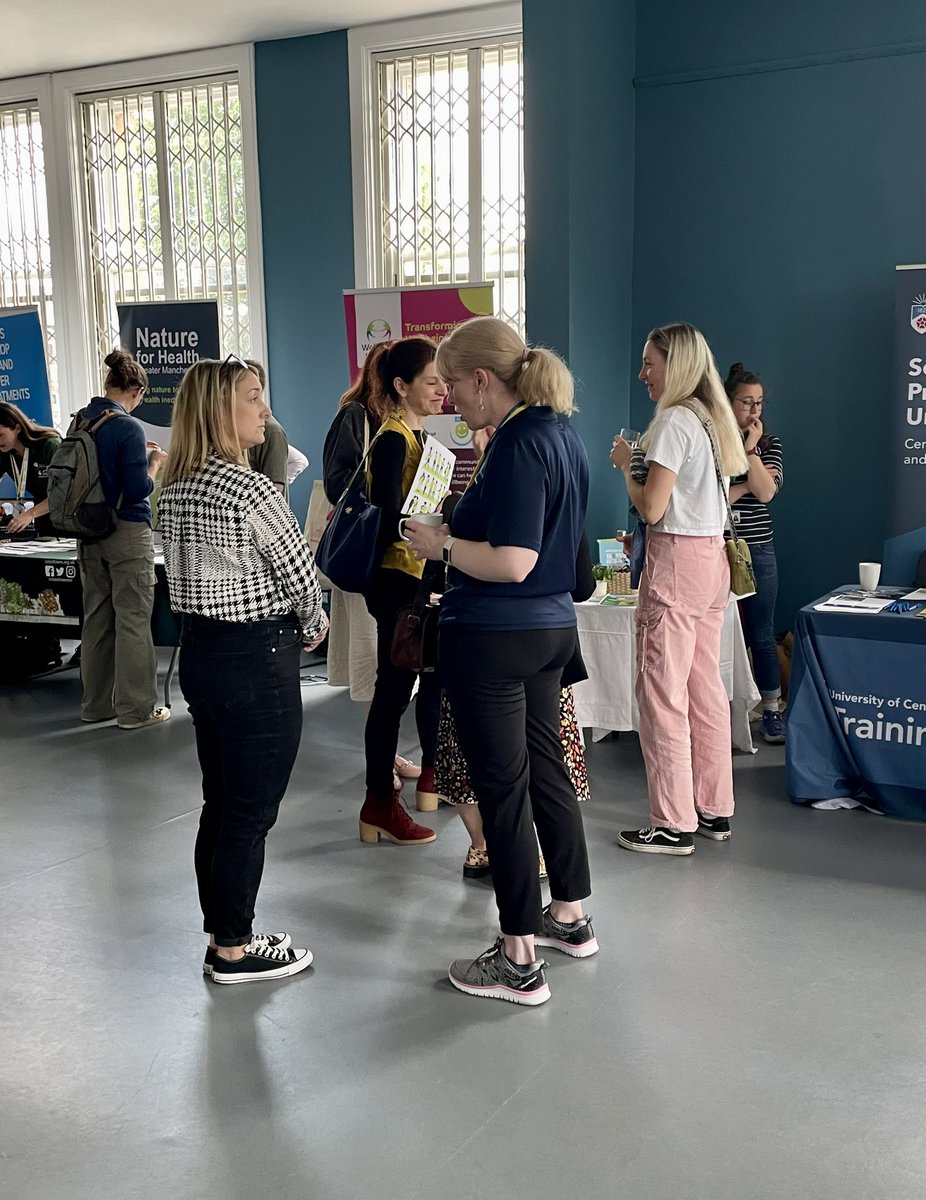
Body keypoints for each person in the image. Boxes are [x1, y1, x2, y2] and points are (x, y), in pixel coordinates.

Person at [406, 316, 597, 1007]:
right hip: (549, 633)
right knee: (546, 772)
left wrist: (442, 547)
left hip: (497, 637)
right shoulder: (562, 435)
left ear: (483, 380)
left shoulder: (518, 443)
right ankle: (568, 915)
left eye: (454, 385)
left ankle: (518, 956)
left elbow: (512, 562)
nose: (451, 399)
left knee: (505, 790)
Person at [158, 355, 328, 984]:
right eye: (255, 398)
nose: (266, 411)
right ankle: (233, 947)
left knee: (221, 802)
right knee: (251, 811)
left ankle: (224, 932)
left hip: (200, 655)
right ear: (218, 411)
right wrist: (314, 622)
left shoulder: (173, 489)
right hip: (258, 657)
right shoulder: (249, 489)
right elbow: (299, 576)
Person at [610, 322, 748, 855]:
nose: (643, 373)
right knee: (703, 690)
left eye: (651, 363)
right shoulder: (710, 419)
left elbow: (652, 507)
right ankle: (713, 809)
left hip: (675, 564)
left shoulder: (671, 421)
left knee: (662, 695)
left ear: (677, 365)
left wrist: (627, 467)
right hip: (709, 561)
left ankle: (672, 822)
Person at [357, 337, 447, 845]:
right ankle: (379, 801)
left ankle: (393, 796)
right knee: (391, 695)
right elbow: (388, 518)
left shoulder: (417, 439)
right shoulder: (392, 438)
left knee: (413, 685)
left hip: (417, 575)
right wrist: (430, 525)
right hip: (396, 579)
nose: (441, 391)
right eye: (431, 382)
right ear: (401, 386)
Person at [321, 344, 420, 786]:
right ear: (393, 381)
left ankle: (387, 757)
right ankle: (383, 767)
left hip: (396, 556)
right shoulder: (359, 417)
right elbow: (338, 482)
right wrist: (382, 486)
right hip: (370, 554)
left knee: (389, 673)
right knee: (373, 662)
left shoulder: (400, 427)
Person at [76, 350, 168, 729]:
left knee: (97, 619)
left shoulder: (82, 419)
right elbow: (136, 489)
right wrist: (154, 465)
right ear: (138, 391)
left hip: (88, 531)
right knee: (132, 619)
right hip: (126, 532)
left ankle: (95, 705)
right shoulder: (128, 427)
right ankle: (136, 710)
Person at [724, 362, 785, 744]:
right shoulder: (711, 440)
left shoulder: (769, 443)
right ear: (728, 401)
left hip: (757, 549)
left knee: (761, 633)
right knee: (717, 634)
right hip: (715, 547)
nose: (755, 411)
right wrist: (745, 485)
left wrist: (749, 451)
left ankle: (772, 710)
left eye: (759, 403)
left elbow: (766, 492)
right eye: (747, 402)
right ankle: (726, 708)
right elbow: (712, 496)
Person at [0, 402, 61, 536]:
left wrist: (30, 514)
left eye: (0, 435)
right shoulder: (4, 453)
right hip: (42, 520)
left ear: (17, 428)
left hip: (67, 517)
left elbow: (65, 492)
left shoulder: (50, 446)